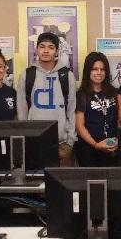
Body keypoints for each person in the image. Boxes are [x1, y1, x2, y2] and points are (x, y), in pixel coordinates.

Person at [17, 32, 77, 167]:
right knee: (35, 185)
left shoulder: (67, 76)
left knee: (61, 186)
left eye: (51, 47)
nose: (46, 50)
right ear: (36, 49)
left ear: (56, 51)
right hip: (34, 143)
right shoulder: (27, 75)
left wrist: (70, 142)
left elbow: (71, 110)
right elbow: (22, 112)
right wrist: (26, 140)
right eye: (42, 46)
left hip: (61, 144)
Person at [74, 52, 119, 167]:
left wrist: (117, 141)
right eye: (94, 69)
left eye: (102, 69)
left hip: (112, 146)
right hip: (89, 148)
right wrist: (96, 145)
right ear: (88, 71)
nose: (99, 73)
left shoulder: (114, 92)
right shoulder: (81, 95)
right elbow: (79, 126)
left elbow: (119, 120)